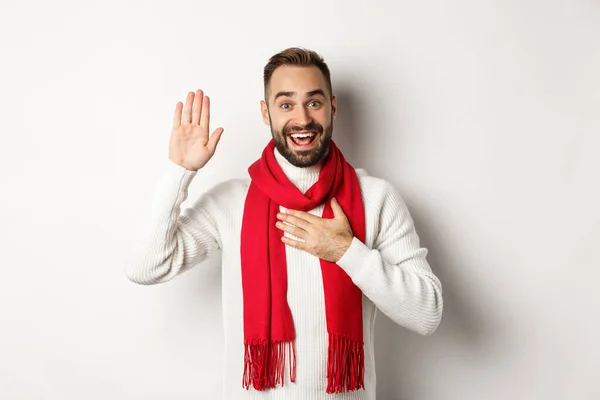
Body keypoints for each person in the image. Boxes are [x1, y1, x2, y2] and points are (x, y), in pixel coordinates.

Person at [126, 47, 443, 400]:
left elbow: (426, 314)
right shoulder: (231, 201)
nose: (303, 119)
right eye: (286, 104)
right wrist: (179, 171)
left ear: (332, 106)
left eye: (314, 102)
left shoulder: (376, 198)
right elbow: (145, 267)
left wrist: (346, 251)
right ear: (266, 112)